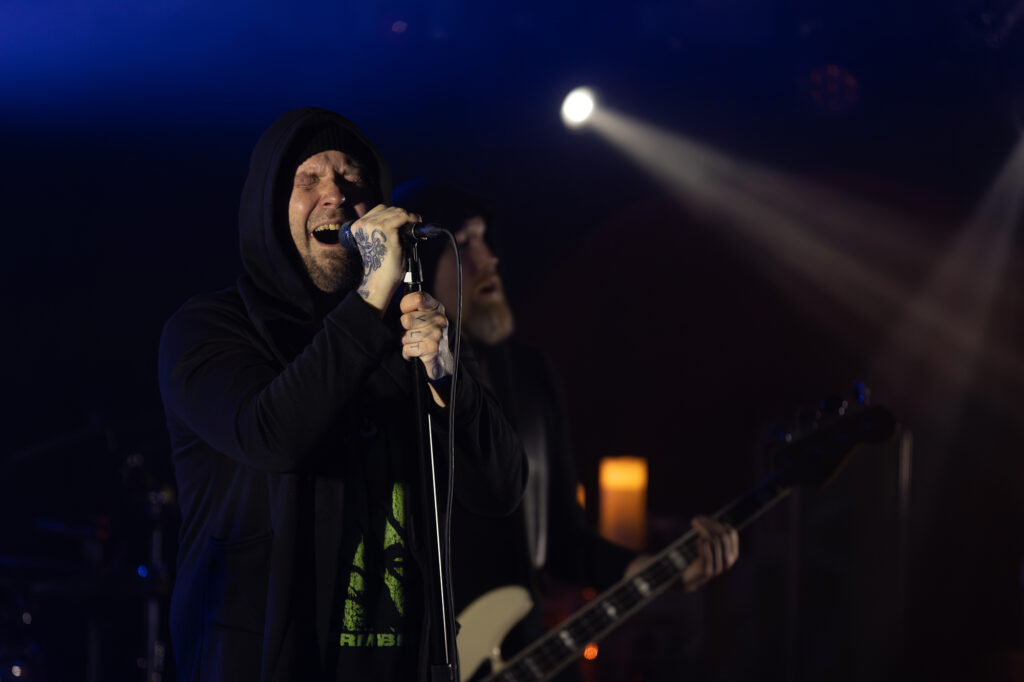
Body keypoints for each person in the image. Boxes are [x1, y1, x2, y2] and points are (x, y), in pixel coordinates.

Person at [157, 108, 526, 682]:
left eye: (352, 180)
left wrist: (450, 381)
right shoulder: (208, 329)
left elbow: (500, 489)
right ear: (270, 207)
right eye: (308, 180)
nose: (334, 194)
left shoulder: (417, 327)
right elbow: (273, 436)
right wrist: (372, 296)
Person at [393, 178, 740, 681]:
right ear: (416, 268)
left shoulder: (530, 377)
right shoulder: (388, 379)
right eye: (464, 243)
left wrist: (654, 570)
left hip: (523, 651)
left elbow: (562, 539)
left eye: (486, 239)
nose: (489, 259)